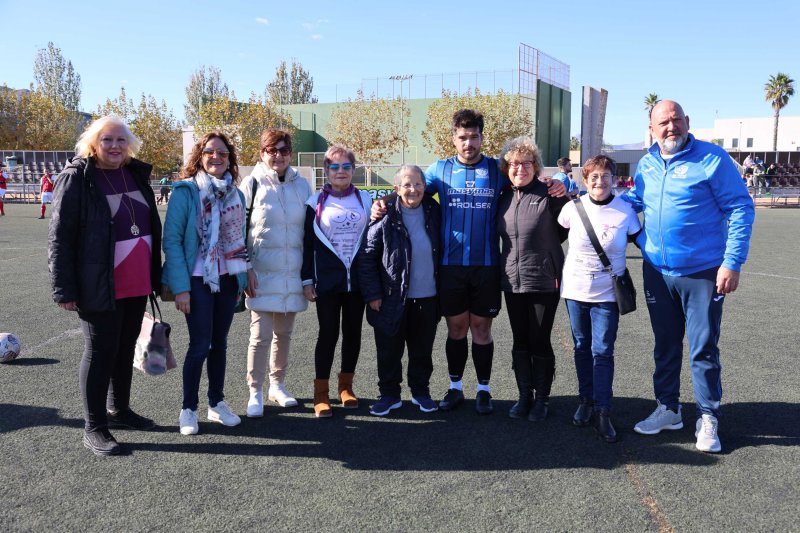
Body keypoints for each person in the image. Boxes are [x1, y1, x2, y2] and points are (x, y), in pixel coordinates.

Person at [371, 109, 566, 414]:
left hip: (487, 267)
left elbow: (525, 181)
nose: (468, 143)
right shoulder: (439, 170)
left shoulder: (497, 170)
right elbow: (412, 190)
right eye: (462, 137)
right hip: (450, 268)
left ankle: (484, 390)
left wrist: (555, 184)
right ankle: (455, 387)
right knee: (457, 329)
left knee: (482, 330)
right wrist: (383, 201)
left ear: (482, 137)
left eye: (474, 136)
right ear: (454, 139)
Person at [626, 100, 754, 453]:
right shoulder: (648, 163)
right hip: (656, 272)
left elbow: (740, 208)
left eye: (676, 120)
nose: (671, 127)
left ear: (687, 121)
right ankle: (668, 409)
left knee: (702, 348)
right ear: (651, 129)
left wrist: (732, 262)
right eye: (663, 122)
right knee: (665, 345)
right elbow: (634, 201)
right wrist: (590, 201)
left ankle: (708, 416)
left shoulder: (712, 158)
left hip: (703, 273)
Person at [48, 115, 162, 456]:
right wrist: (63, 288)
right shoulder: (78, 178)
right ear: (93, 143)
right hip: (99, 282)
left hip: (137, 279)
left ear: (129, 145)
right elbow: (60, 237)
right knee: (99, 352)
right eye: (107, 140)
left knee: (125, 347)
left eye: (120, 140)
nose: (114, 146)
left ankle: (119, 410)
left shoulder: (135, 173)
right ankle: (94, 426)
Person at [162, 131, 254, 436]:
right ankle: (189, 408)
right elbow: (172, 242)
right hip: (198, 281)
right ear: (199, 156)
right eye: (210, 152)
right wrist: (182, 288)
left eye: (223, 153)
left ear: (231, 159)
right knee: (200, 345)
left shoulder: (236, 194)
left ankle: (216, 403)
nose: (217, 158)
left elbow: (239, 239)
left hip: (228, 280)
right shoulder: (186, 191)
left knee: (220, 344)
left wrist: (243, 275)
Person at [558, 155, 641, 443]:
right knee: (582, 347)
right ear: (585, 180)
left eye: (606, 176)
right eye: (594, 176)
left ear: (615, 180)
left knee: (602, 350)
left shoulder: (626, 211)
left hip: (608, 294)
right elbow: (552, 236)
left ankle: (604, 410)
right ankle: (586, 401)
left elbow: (643, 242)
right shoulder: (571, 209)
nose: (600, 182)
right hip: (575, 291)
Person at [358, 165, 441, 416]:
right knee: (389, 350)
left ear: (425, 188)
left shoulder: (434, 211)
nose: (413, 189)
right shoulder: (384, 215)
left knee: (422, 350)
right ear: (396, 189)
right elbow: (367, 257)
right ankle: (389, 395)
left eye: (417, 184)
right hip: (391, 298)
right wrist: (373, 295)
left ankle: (420, 392)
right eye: (406, 184)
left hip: (427, 297)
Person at [240, 129, 311, 417]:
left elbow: (310, 232)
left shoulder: (302, 185)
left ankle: (277, 385)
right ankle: (254, 390)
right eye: (272, 150)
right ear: (262, 153)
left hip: (292, 272)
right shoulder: (251, 184)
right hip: (261, 273)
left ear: (290, 154)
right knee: (260, 335)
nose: (278, 156)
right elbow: (238, 230)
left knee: (284, 334)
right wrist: (246, 267)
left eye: (283, 150)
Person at [497, 137, 568, 422]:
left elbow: (568, 229)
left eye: (525, 163)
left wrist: (563, 191)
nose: (519, 168)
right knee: (519, 339)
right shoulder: (502, 196)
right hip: (512, 279)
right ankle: (524, 395)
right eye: (513, 164)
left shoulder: (551, 194)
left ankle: (543, 399)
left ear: (535, 166)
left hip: (543, 279)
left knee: (540, 339)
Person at [302, 144, 372, 418]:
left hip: (357, 283)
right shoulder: (314, 202)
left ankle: (346, 388)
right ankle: (321, 393)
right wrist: (307, 279)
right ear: (326, 171)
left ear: (353, 170)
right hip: (327, 283)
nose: (340, 172)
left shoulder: (365, 200)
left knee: (353, 333)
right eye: (334, 167)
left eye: (346, 167)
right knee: (328, 334)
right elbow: (307, 245)